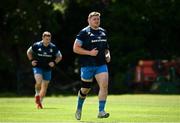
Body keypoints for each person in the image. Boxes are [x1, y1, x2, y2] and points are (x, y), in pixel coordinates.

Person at [73, 11, 111, 120]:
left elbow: (106, 48)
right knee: (85, 89)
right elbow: (75, 48)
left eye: (98, 19)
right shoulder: (84, 33)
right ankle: (79, 108)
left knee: (104, 86)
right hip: (87, 65)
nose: (96, 21)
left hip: (101, 65)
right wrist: (89, 53)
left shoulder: (103, 32)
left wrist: (108, 55)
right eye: (94, 19)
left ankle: (101, 111)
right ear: (89, 20)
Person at [27, 31, 62, 109]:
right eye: (46, 39)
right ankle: (37, 94)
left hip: (47, 69)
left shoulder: (53, 47)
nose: (48, 41)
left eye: (49, 39)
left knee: (45, 86)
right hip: (38, 67)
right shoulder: (36, 45)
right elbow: (28, 52)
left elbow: (60, 56)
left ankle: (40, 102)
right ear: (42, 38)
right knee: (38, 81)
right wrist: (31, 60)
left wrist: (54, 62)